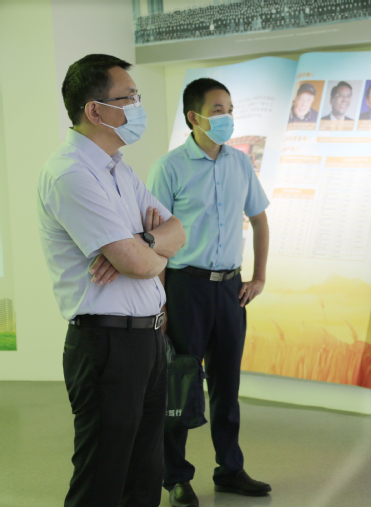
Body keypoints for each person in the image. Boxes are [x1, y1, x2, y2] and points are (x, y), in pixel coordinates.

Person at [38, 54, 187, 507]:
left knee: (144, 476)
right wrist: (147, 254)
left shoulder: (119, 168)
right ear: (95, 110)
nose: (139, 107)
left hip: (147, 339)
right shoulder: (70, 173)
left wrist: (144, 242)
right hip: (107, 345)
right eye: (130, 98)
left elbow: (177, 232)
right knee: (102, 479)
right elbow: (139, 265)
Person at [148, 78, 272, 506]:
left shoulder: (240, 163)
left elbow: (259, 219)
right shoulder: (169, 168)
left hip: (230, 289)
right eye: (218, 110)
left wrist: (258, 277)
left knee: (226, 385)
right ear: (193, 117)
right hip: (186, 288)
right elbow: (153, 241)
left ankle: (230, 469)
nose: (227, 117)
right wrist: (161, 302)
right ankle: (176, 477)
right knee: (180, 384)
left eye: (230, 109)